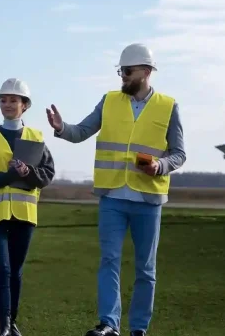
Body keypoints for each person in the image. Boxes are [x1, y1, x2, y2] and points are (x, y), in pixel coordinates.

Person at [46, 43, 186, 336]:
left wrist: (159, 166)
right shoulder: (109, 101)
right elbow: (81, 131)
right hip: (112, 197)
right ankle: (109, 324)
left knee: (146, 270)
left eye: (127, 71)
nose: (122, 76)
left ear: (146, 72)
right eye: (120, 71)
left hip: (148, 201)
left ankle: (138, 328)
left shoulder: (168, 106)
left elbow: (179, 153)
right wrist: (61, 128)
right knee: (109, 260)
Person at [0, 77, 56, 336]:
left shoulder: (37, 138)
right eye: (3, 100)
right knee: (3, 268)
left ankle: (13, 323)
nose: (7, 104)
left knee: (16, 272)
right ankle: (4, 326)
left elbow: (46, 175)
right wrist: (11, 175)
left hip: (24, 215)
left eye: (13, 100)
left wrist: (27, 171)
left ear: (25, 105)